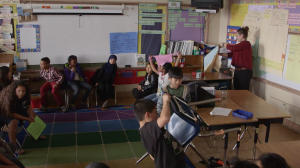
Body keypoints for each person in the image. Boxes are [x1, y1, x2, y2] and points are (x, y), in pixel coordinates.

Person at [134, 96, 186, 168]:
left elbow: (152, 155)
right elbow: (165, 118)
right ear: (148, 115)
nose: (158, 114)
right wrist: (166, 101)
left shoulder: (148, 130)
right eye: (155, 111)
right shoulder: (148, 129)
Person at [0, 81, 46, 155]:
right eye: (19, 91)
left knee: (33, 114)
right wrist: (27, 119)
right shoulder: (9, 96)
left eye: (23, 91)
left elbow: (29, 106)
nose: (21, 93)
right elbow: (11, 114)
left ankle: (35, 134)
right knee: (14, 121)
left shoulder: (26, 94)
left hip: (16, 110)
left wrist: (30, 116)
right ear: (14, 90)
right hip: (4, 113)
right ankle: (13, 147)